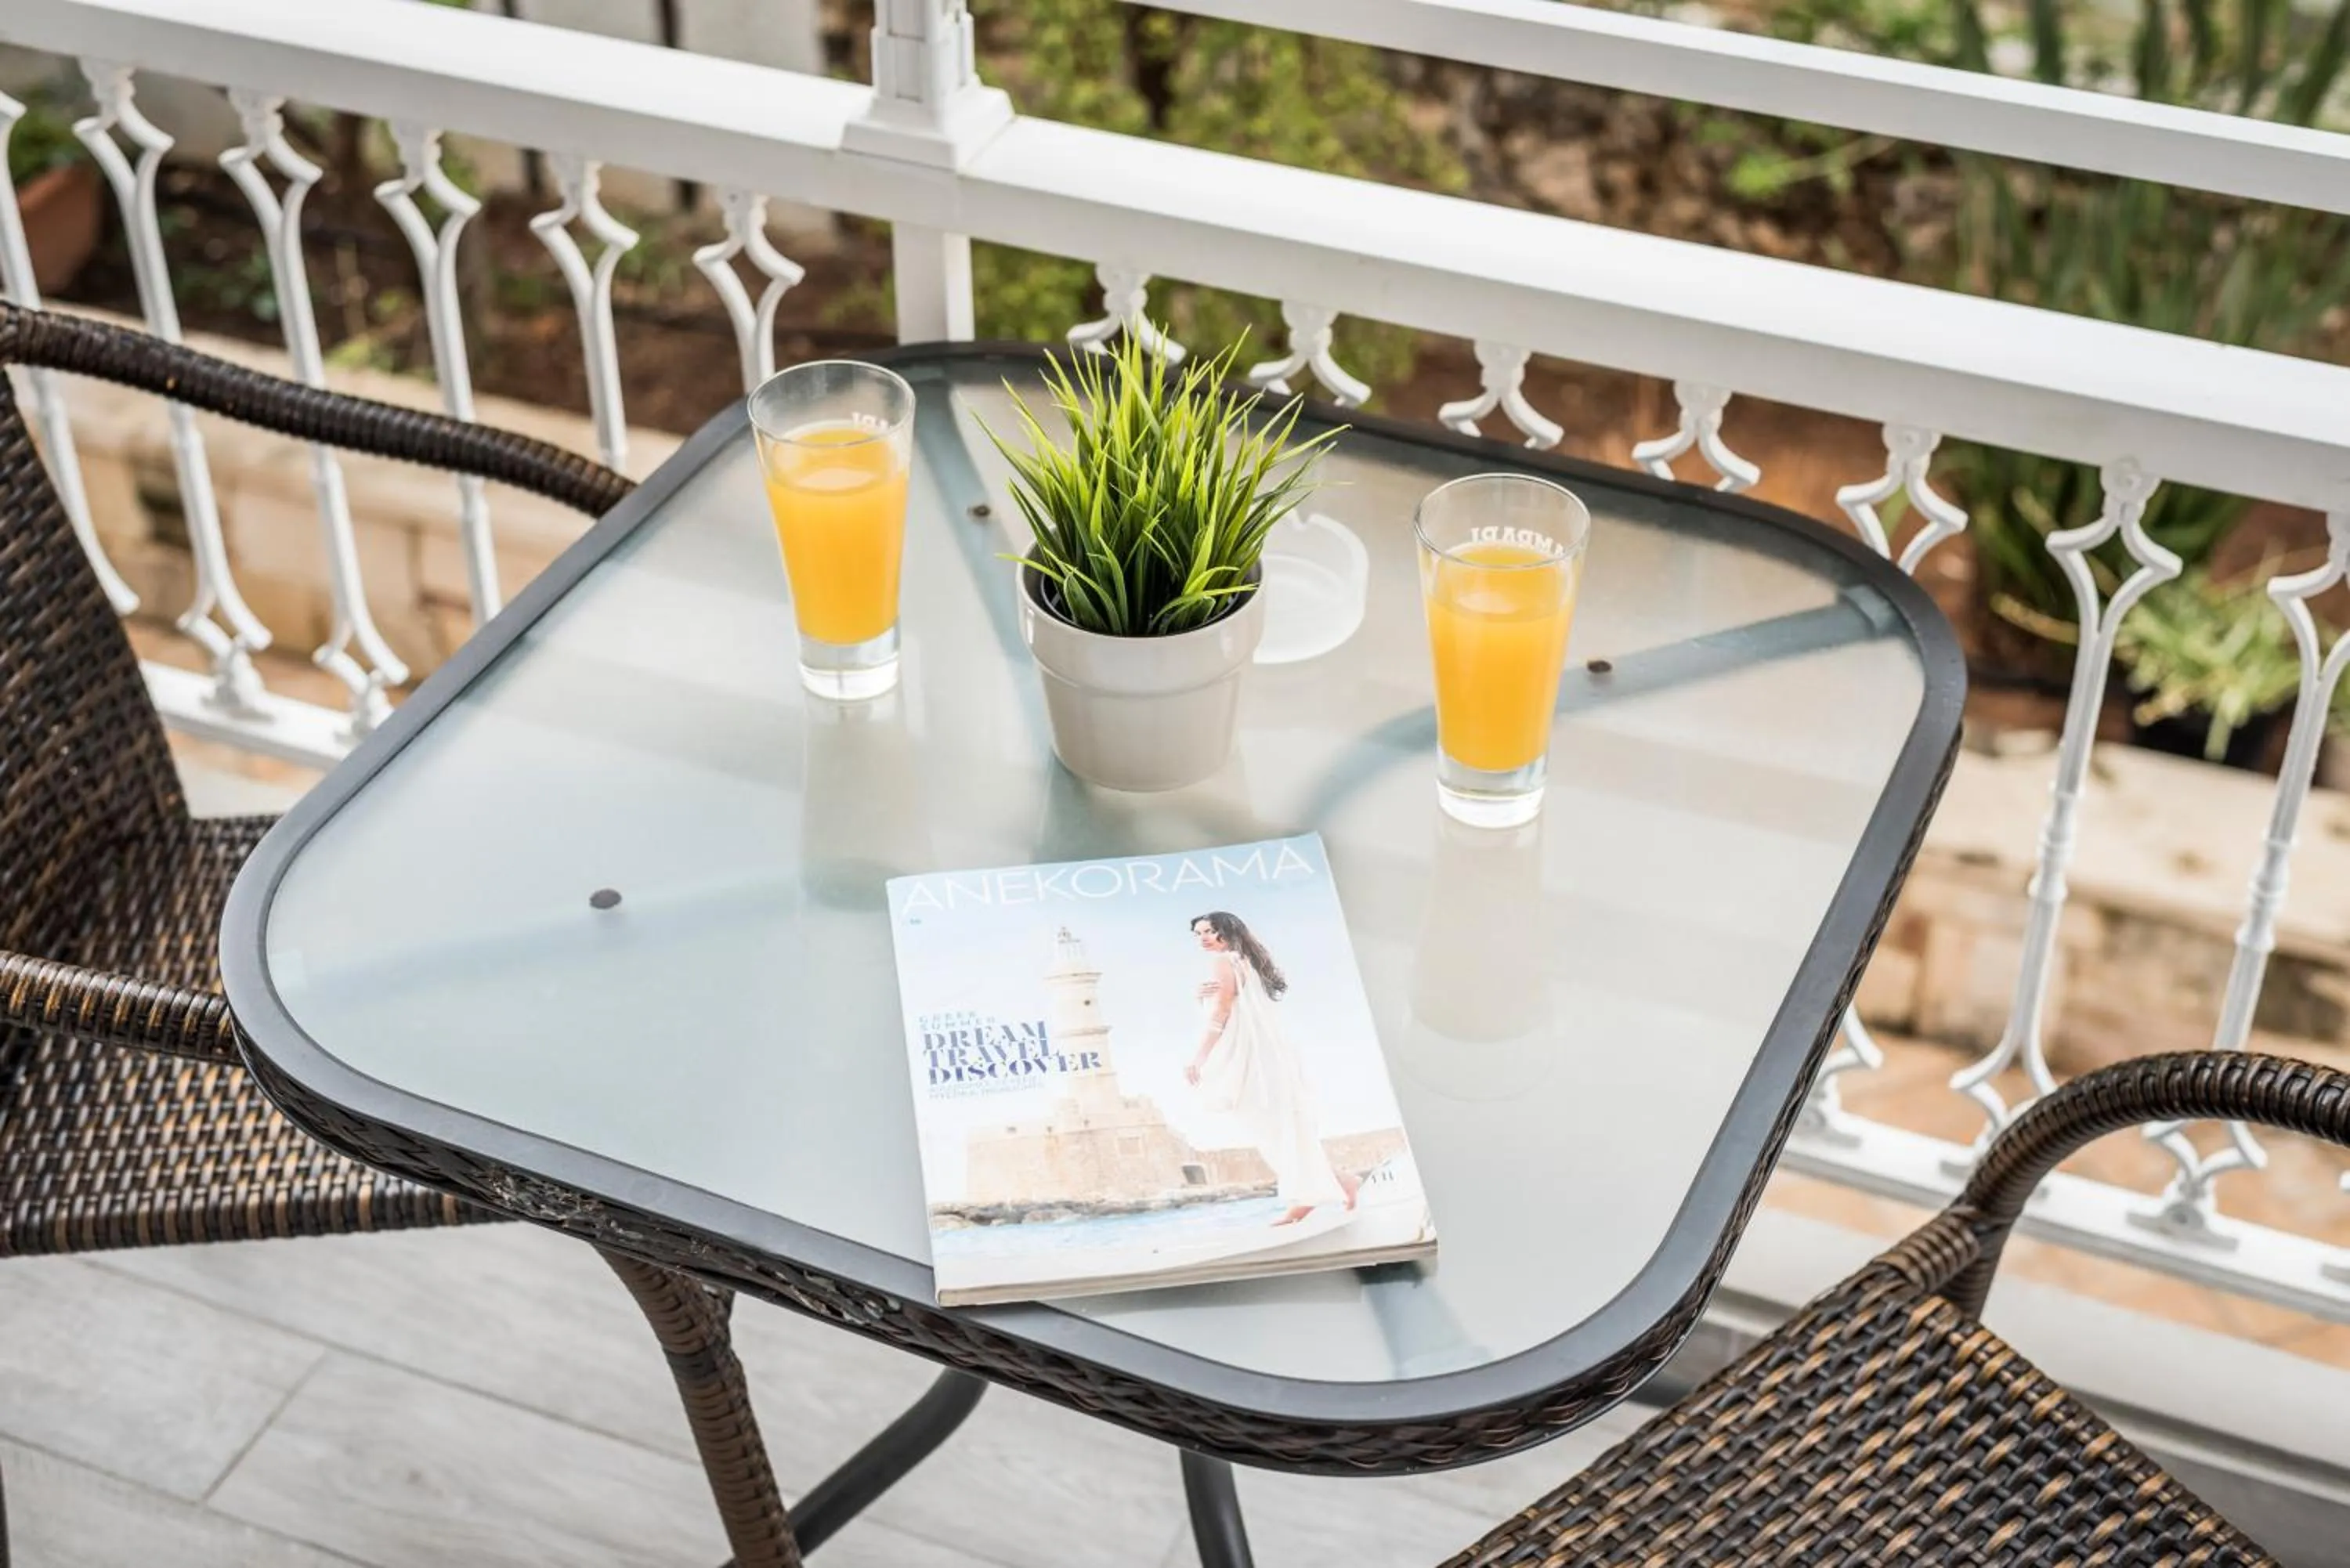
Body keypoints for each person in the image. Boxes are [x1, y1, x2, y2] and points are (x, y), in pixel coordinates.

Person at [1183, 911, 1360, 1226]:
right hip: (1268, 1053)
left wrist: (1199, 1057)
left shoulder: (1223, 961)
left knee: (1270, 1127)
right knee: (1279, 1125)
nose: (1203, 939)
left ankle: (1314, 1194)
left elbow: (1223, 1011)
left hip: (1251, 1058)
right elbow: (1235, 1006)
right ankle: (1339, 1183)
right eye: (1198, 934)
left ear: (1226, 931)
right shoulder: (1247, 961)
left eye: (1209, 931)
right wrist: (1201, 997)